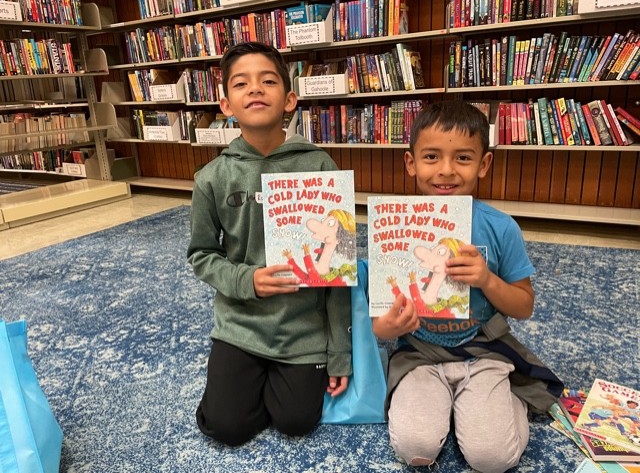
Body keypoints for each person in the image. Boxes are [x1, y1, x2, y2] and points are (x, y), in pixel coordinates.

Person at [372, 101, 563, 473]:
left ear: (484, 164)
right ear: (410, 163)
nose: (446, 171)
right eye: (431, 157)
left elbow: (524, 306)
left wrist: (487, 279)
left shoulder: (501, 226)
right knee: (415, 449)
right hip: (420, 354)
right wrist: (387, 328)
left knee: (492, 459)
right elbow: (379, 322)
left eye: (462, 158)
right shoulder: (394, 226)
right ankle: (457, 407)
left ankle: (504, 399)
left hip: (484, 352)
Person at [187, 42, 352, 447]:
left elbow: (338, 266)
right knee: (226, 427)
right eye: (242, 83)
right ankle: (239, 383)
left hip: (303, 327)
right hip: (241, 323)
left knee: (296, 421)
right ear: (226, 104)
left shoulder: (320, 166)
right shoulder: (211, 177)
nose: (256, 89)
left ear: (290, 99)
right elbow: (202, 255)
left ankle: (266, 383)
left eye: (268, 81)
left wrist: (340, 352)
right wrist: (248, 281)